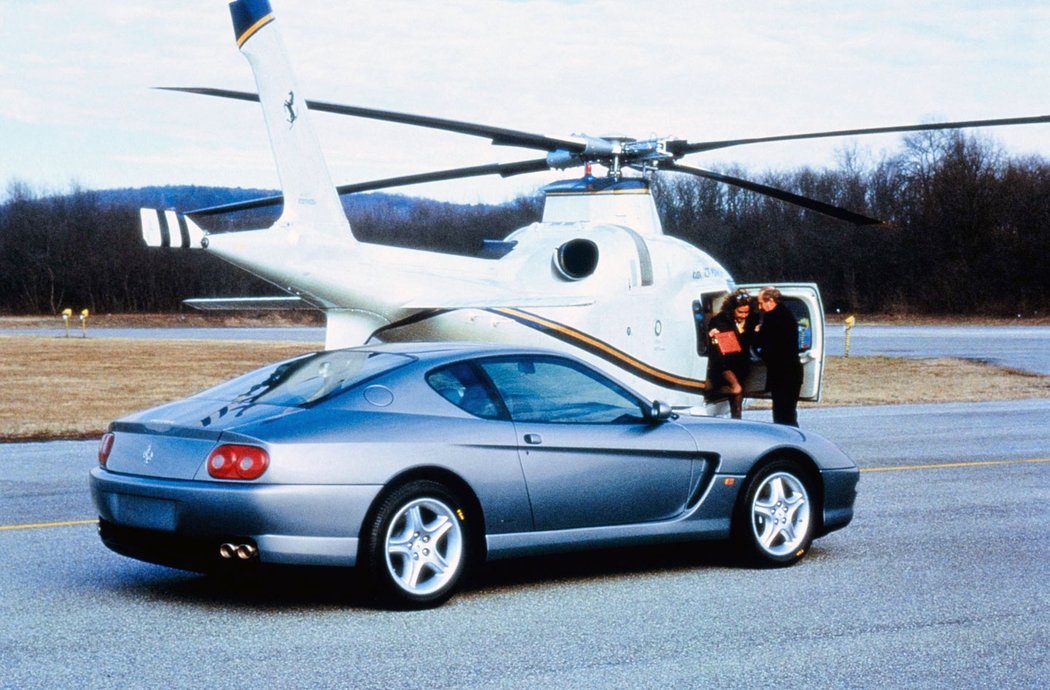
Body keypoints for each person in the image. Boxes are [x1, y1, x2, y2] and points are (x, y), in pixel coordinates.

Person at [755, 287, 803, 426]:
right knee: (788, 413)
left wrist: (757, 333)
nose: (760, 307)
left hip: (782, 374)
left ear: (770, 301)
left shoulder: (772, 318)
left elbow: (767, 348)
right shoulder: (787, 315)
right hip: (792, 372)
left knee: (782, 415)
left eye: (761, 303)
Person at [706, 291, 757, 419]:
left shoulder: (752, 321)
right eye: (740, 312)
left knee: (737, 400)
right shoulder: (720, 321)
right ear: (732, 309)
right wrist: (712, 335)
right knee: (736, 389)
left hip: (740, 363)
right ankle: (709, 390)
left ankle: (737, 420)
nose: (744, 316)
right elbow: (712, 340)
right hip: (723, 363)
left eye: (746, 312)